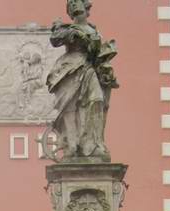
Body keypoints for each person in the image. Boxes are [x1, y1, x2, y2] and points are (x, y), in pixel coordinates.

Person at [46, 0, 118, 160]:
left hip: (89, 68)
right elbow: (55, 39)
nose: (73, 5)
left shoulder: (94, 30)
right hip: (70, 69)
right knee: (69, 106)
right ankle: (72, 144)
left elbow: (99, 53)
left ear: (86, 6)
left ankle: (93, 144)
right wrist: (70, 33)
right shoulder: (68, 28)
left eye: (76, 1)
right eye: (70, 3)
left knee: (97, 100)